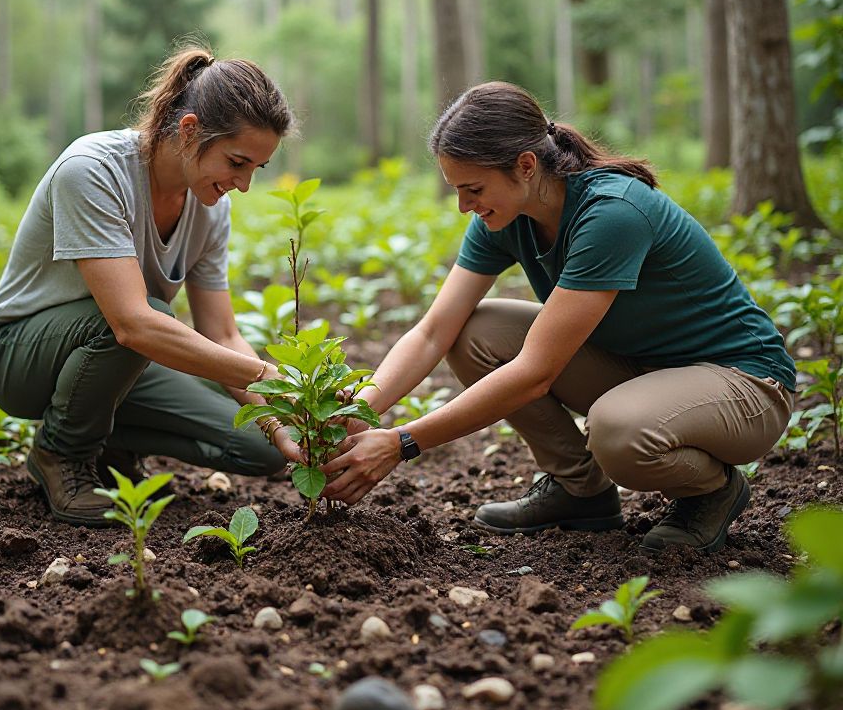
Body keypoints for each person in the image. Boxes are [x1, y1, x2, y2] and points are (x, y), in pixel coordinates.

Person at [321, 83, 795, 554]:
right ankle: (580, 492)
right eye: (457, 190)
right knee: (474, 333)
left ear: (525, 166)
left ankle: (712, 491)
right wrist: (359, 410)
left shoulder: (612, 213)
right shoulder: (505, 216)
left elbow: (534, 373)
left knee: (618, 432)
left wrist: (401, 443)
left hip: (743, 383)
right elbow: (432, 331)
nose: (464, 205)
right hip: (640, 367)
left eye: (473, 188)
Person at [0, 46, 301, 526]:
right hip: (21, 355)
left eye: (256, 168)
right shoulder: (92, 170)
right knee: (149, 316)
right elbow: (131, 323)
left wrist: (283, 416)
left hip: (116, 356)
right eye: (237, 162)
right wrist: (259, 375)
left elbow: (223, 334)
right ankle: (60, 454)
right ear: (190, 131)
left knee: (261, 446)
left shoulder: (211, 206)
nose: (244, 184)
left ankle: (108, 438)